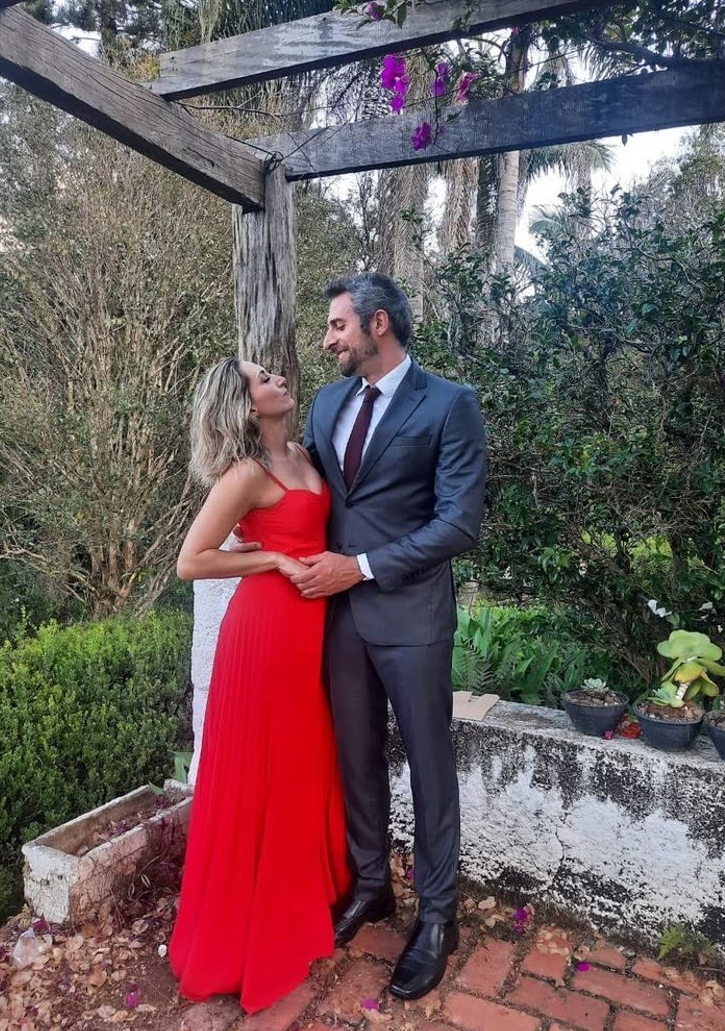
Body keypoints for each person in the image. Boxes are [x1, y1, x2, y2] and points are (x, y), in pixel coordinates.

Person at [290, 272, 486, 1001]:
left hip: (413, 621)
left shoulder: (450, 404)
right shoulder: (326, 403)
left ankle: (437, 918)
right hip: (339, 621)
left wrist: (362, 566)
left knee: (430, 767)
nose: (327, 340)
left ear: (378, 324)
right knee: (356, 757)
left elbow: (457, 523)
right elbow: (305, 490)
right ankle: (372, 885)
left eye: (337, 325)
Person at [168, 358, 351, 1015]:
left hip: (312, 631)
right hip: (266, 634)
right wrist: (270, 556)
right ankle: (256, 932)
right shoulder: (246, 474)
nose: (276, 379)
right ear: (247, 406)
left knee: (304, 766)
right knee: (268, 774)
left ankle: (304, 901)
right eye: (262, 378)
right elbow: (191, 560)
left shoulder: (302, 453)